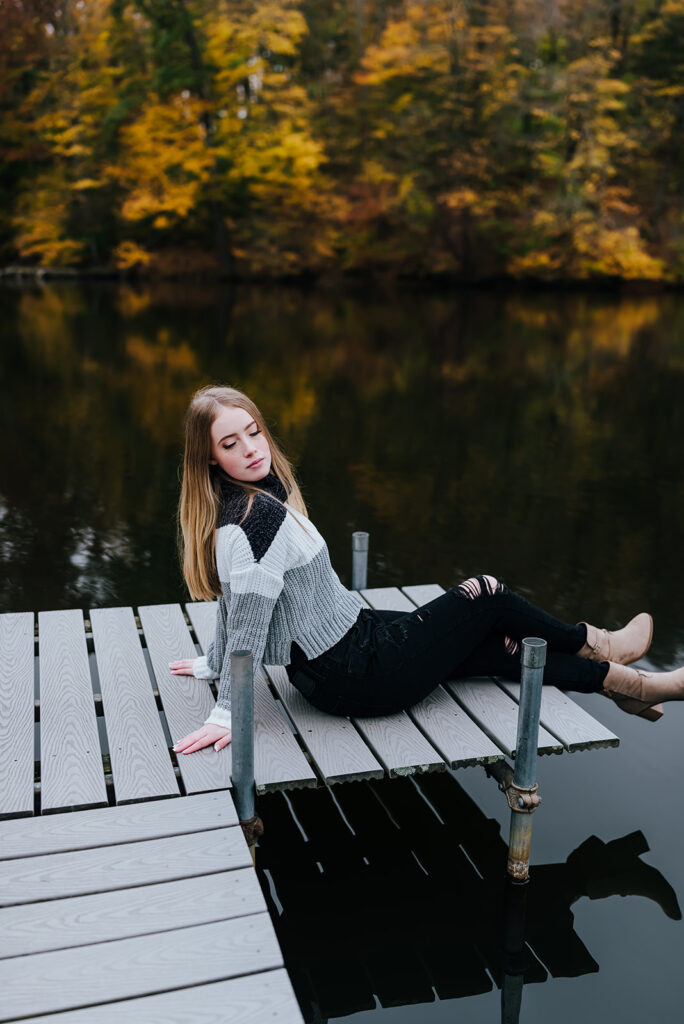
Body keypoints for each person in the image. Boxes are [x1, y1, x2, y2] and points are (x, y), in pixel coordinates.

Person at [169, 384, 683, 756]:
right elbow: (250, 617)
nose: (251, 449)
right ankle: (608, 651)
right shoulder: (256, 519)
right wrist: (227, 711)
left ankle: (627, 686)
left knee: (498, 646)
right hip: (355, 675)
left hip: (349, 643)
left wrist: (212, 661)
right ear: (210, 459)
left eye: (253, 432)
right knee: (488, 595)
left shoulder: (244, 505)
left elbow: (234, 600)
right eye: (230, 444)